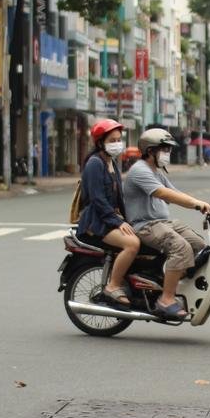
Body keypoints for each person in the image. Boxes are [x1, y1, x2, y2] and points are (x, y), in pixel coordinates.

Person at [123, 128, 210, 320]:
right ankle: (166, 299)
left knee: (200, 246)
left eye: (168, 150)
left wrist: (207, 206)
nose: (167, 154)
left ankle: (170, 279)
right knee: (181, 248)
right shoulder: (139, 170)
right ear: (150, 150)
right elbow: (163, 193)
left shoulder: (157, 171)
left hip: (163, 222)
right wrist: (197, 204)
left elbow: (175, 192)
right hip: (145, 225)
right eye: (164, 149)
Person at [76, 119, 138, 306]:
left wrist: (129, 220)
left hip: (109, 219)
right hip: (96, 223)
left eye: (119, 139)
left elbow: (119, 199)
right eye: (112, 140)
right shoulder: (95, 164)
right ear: (100, 142)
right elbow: (97, 199)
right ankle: (112, 286)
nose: (117, 143)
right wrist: (118, 222)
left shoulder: (113, 164)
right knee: (132, 244)